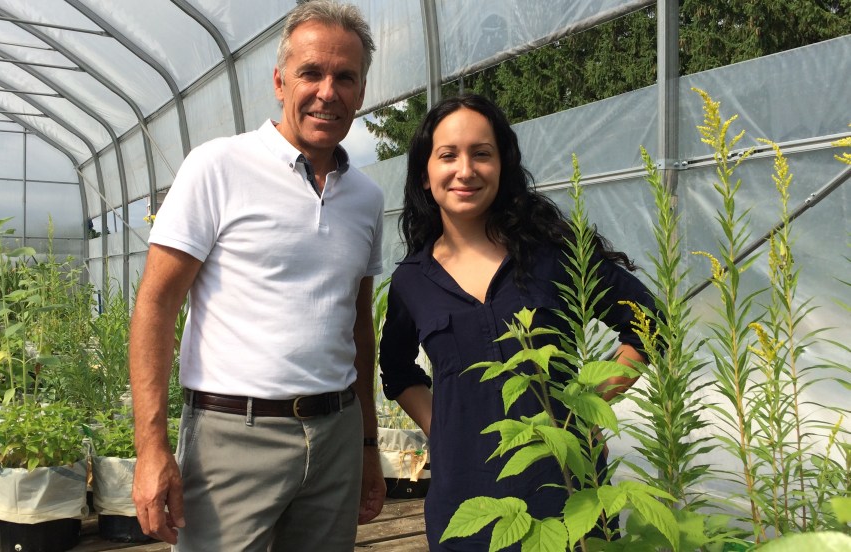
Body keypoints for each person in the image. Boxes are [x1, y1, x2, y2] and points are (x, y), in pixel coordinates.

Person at [128, 2, 386, 550]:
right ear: (279, 81)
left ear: (362, 91)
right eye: (310, 73)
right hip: (233, 439)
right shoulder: (219, 167)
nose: (327, 91)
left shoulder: (365, 198)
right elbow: (156, 303)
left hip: (336, 432)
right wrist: (151, 448)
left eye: (345, 77)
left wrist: (367, 445)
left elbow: (357, 326)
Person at [378, 94, 653, 550]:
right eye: (448, 155)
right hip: (465, 496)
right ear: (425, 176)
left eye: (481, 154)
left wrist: (588, 409)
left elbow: (650, 322)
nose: (465, 170)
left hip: (567, 484)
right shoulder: (412, 282)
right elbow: (398, 370)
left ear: (502, 166)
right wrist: (442, 430)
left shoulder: (554, 254)